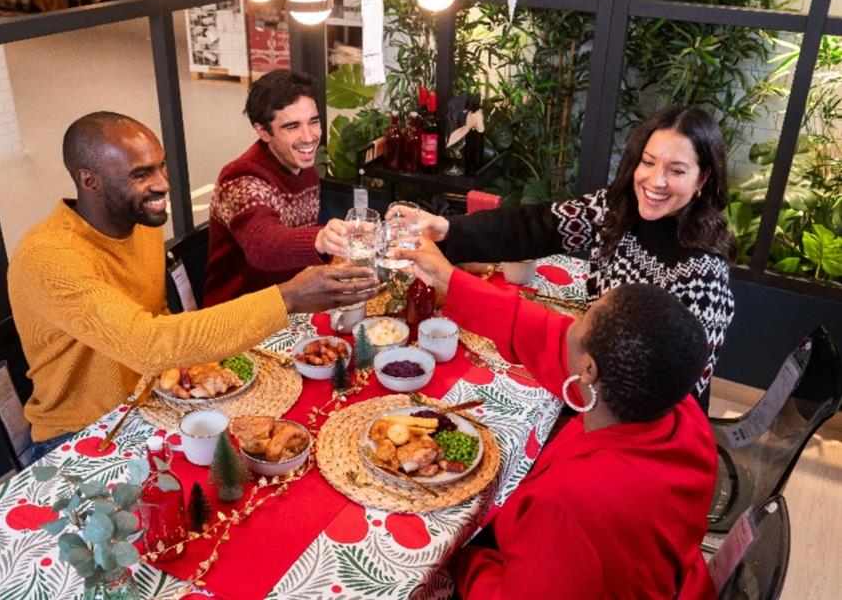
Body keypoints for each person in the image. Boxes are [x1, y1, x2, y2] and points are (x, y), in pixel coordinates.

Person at [8, 111, 378, 457]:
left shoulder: (138, 224)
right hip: (85, 432)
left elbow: (160, 317)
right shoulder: (50, 257)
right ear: (90, 181)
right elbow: (150, 345)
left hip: (156, 402)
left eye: (161, 165)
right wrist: (288, 298)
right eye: (141, 175)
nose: (163, 184)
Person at [399, 240, 717, 598]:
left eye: (583, 318)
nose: (570, 323)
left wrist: (459, 561)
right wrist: (452, 281)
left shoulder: (568, 505)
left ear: (589, 370)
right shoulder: (677, 407)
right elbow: (546, 333)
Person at [411, 105, 736, 409]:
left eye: (676, 170)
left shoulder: (702, 277)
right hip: (590, 373)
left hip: (626, 414)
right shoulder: (616, 210)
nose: (655, 181)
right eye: (648, 162)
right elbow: (541, 226)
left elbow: (674, 398)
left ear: (703, 179)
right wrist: (448, 229)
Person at [203, 69, 346, 306]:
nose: (309, 137)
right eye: (292, 126)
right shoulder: (241, 179)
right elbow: (263, 245)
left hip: (292, 296)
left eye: (314, 121)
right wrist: (320, 238)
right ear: (263, 131)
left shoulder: (303, 165)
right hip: (244, 311)